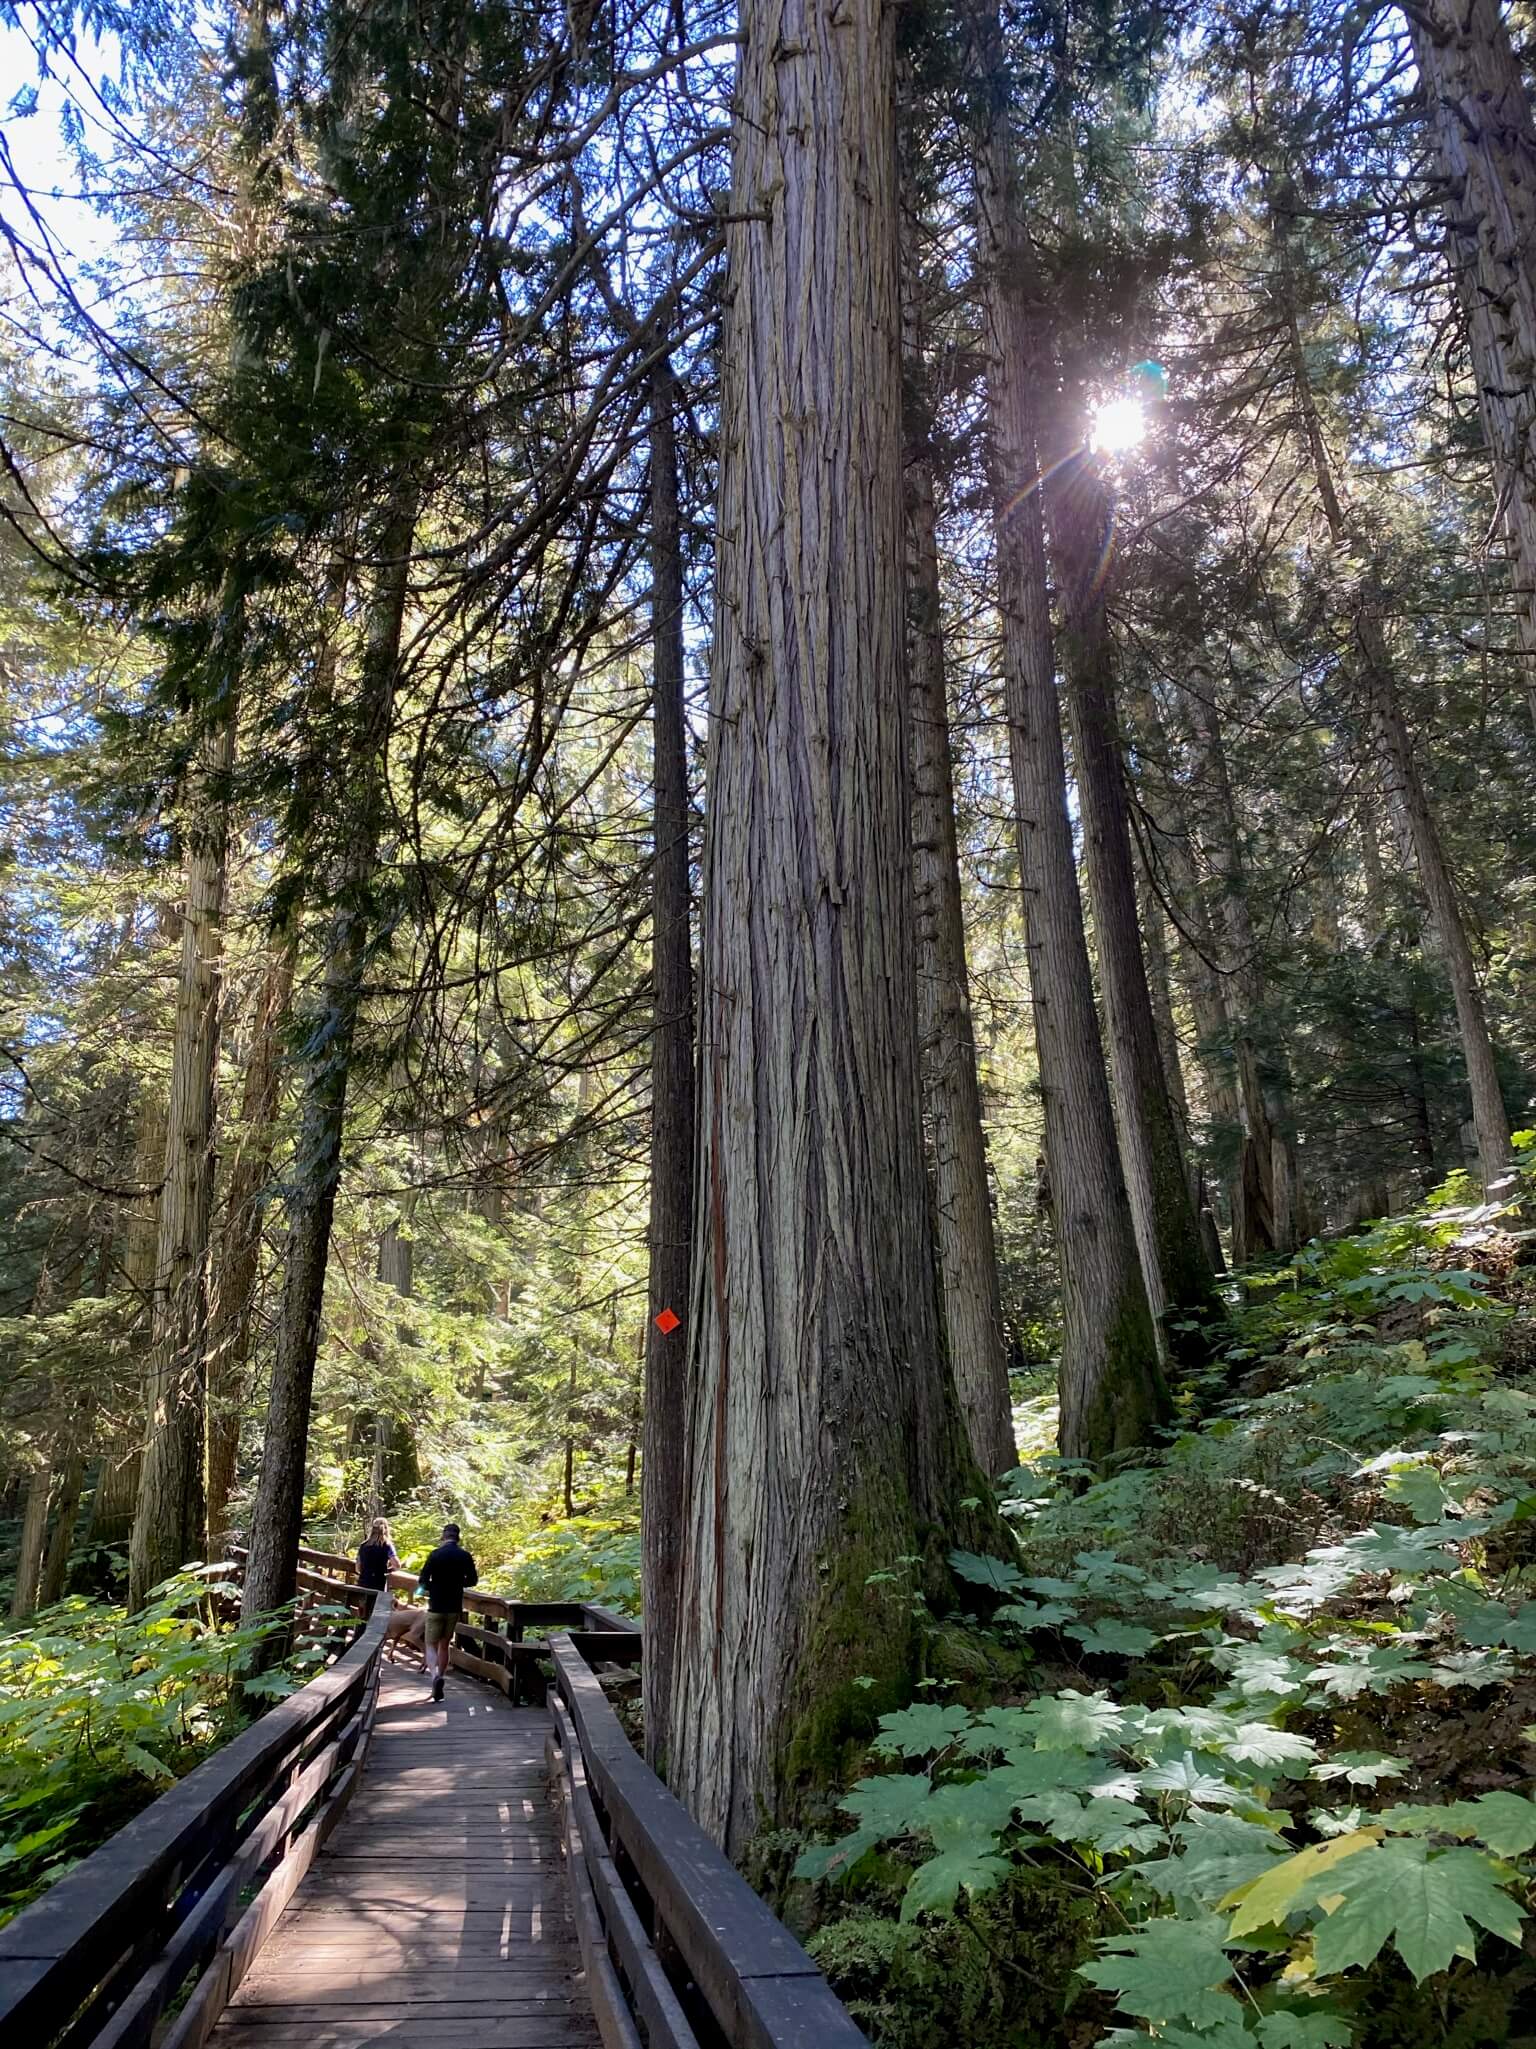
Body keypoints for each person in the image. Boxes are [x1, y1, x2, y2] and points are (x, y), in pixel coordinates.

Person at [416, 1521, 478, 1703]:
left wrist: (431, 1587)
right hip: (454, 1607)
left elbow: (422, 1580)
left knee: (430, 1644)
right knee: (445, 1644)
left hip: (436, 1605)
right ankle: (441, 1676)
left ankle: (434, 1676)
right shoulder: (464, 1556)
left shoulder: (435, 1555)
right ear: (458, 1537)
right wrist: (459, 1584)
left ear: (443, 1536)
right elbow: (473, 1580)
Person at [355, 1517, 399, 1594]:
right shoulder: (387, 1546)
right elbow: (397, 1565)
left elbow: (357, 1568)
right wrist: (388, 1570)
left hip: (362, 1583)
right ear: (386, 1529)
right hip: (378, 1584)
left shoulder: (363, 1545)